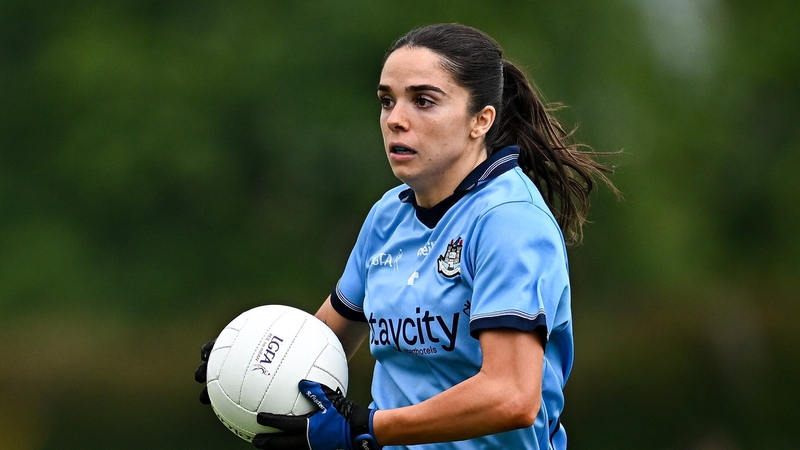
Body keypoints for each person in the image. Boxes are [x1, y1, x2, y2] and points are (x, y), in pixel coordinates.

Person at [196, 22, 617, 449]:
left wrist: (367, 428)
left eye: (423, 101)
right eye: (386, 101)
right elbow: (322, 340)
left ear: (480, 120)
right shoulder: (388, 215)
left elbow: (511, 396)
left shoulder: (508, 221)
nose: (396, 119)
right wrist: (248, 359)